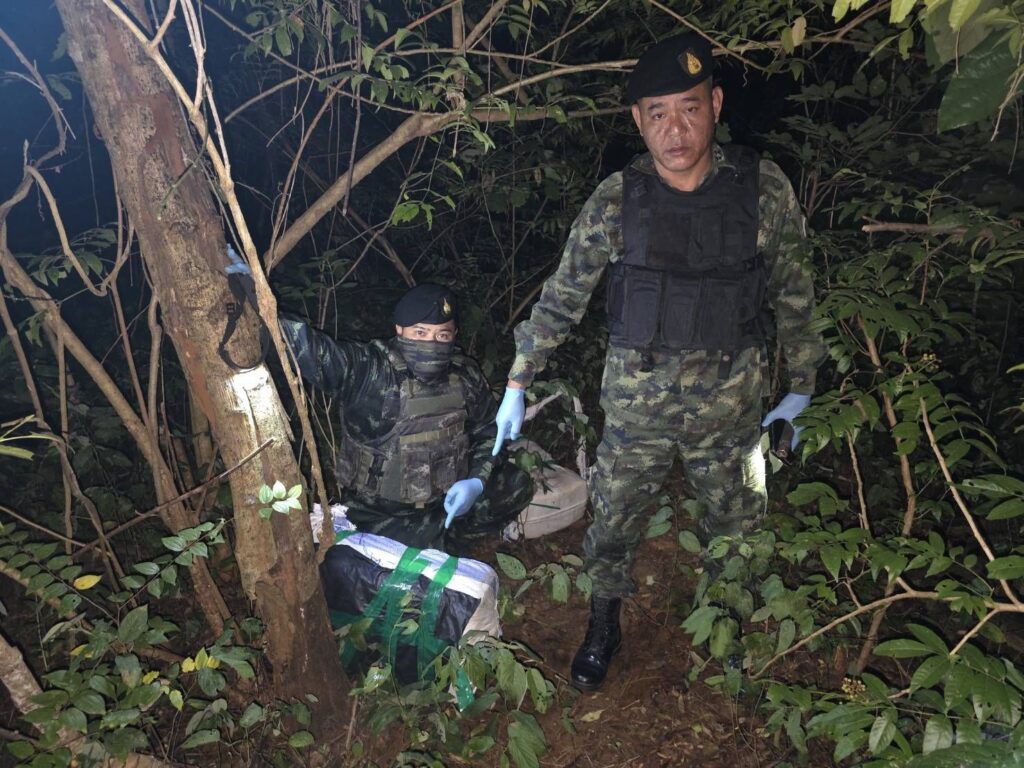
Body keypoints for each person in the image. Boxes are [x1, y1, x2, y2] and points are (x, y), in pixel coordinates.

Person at [491, 33, 827, 691]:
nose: (675, 130)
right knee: (612, 521)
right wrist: (518, 379)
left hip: (732, 407)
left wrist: (804, 386)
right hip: (636, 408)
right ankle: (603, 624)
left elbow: (796, 292)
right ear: (638, 120)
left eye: (690, 108)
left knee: (738, 525)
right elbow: (563, 295)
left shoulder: (762, 190)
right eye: (658, 113)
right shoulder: (618, 199)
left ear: (716, 105)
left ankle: (726, 627)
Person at [280, 283, 534, 551]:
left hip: (445, 500)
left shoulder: (464, 373)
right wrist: (255, 295)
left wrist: (476, 482)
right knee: (391, 566)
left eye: (442, 335)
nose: (432, 343)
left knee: (515, 485)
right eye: (420, 333)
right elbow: (308, 347)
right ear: (399, 330)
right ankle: (433, 545)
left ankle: (452, 539)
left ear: (454, 335)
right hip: (382, 514)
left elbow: (489, 432)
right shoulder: (371, 370)